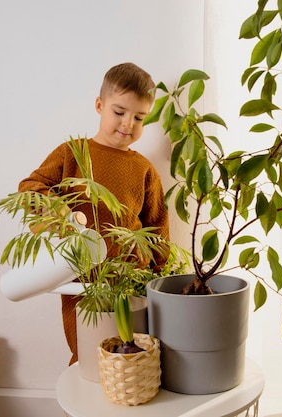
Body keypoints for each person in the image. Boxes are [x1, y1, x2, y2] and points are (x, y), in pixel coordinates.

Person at [18, 62, 170, 365]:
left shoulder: (144, 170)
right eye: (119, 112)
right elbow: (30, 188)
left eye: (139, 117)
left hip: (129, 284)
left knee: (129, 359)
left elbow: (157, 226)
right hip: (81, 282)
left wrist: (158, 277)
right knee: (87, 355)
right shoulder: (71, 153)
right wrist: (58, 210)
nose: (128, 123)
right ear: (99, 106)